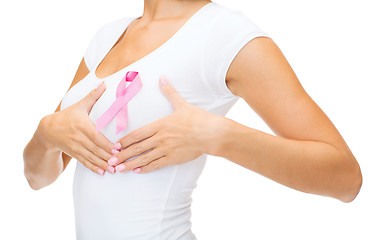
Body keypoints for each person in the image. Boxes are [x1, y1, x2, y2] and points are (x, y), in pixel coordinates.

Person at [23, 0, 363, 239]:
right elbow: (38, 177)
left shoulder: (226, 34)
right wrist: (45, 134)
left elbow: (345, 179)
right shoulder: (106, 37)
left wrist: (218, 136)